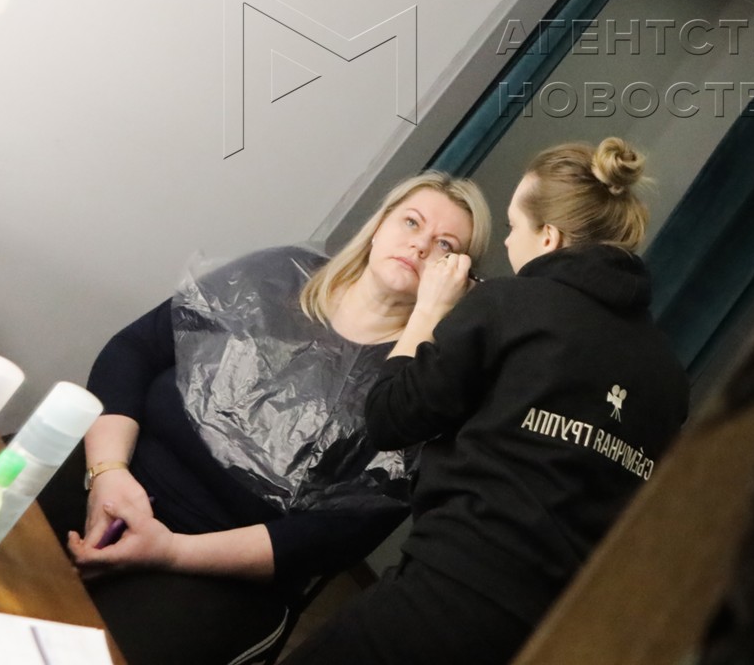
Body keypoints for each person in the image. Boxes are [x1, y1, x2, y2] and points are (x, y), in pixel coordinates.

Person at [37, 172, 492, 665]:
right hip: (114, 472)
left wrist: (171, 551)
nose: (420, 245)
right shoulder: (276, 276)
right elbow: (133, 351)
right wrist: (107, 472)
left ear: (460, 279)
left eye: (445, 246)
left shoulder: (421, 390)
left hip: (214, 568)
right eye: (411, 222)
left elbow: (335, 538)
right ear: (379, 225)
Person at [282, 138, 691, 665]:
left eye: (514, 227)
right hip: (555, 635)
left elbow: (389, 416)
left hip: (443, 597)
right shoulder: (668, 378)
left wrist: (428, 311)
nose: (509, 244)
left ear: (548, 236)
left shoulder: (511, 304)